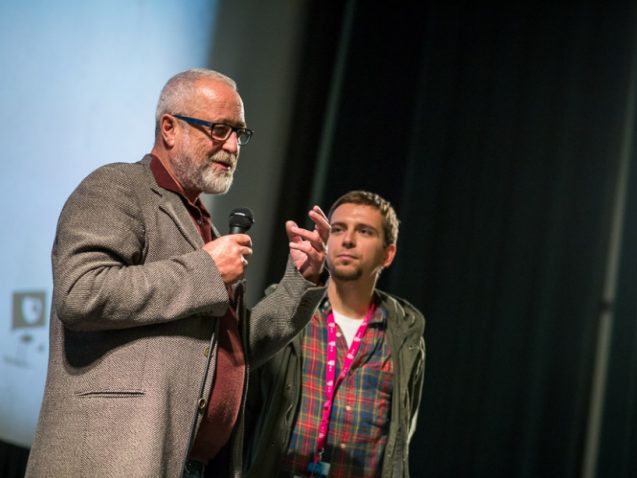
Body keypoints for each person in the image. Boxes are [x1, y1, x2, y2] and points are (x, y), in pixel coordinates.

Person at [25, 68, 329, 478]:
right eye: (220, 129)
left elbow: (232, 348)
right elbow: (80, 293)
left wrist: (301, 280)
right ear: (169, 127)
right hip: (111, 460)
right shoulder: (116, 187)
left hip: (189, 465)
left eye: (240, 133)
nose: (234, 146)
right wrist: (206, 268)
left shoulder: (203, 224)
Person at [244, 191, 426, 478]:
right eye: (338, 229)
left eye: (364, 231)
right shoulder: (288, 316)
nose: (348, 240)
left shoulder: (404, 335)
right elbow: (244, 410)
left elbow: (400, 434)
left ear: (388, 254)